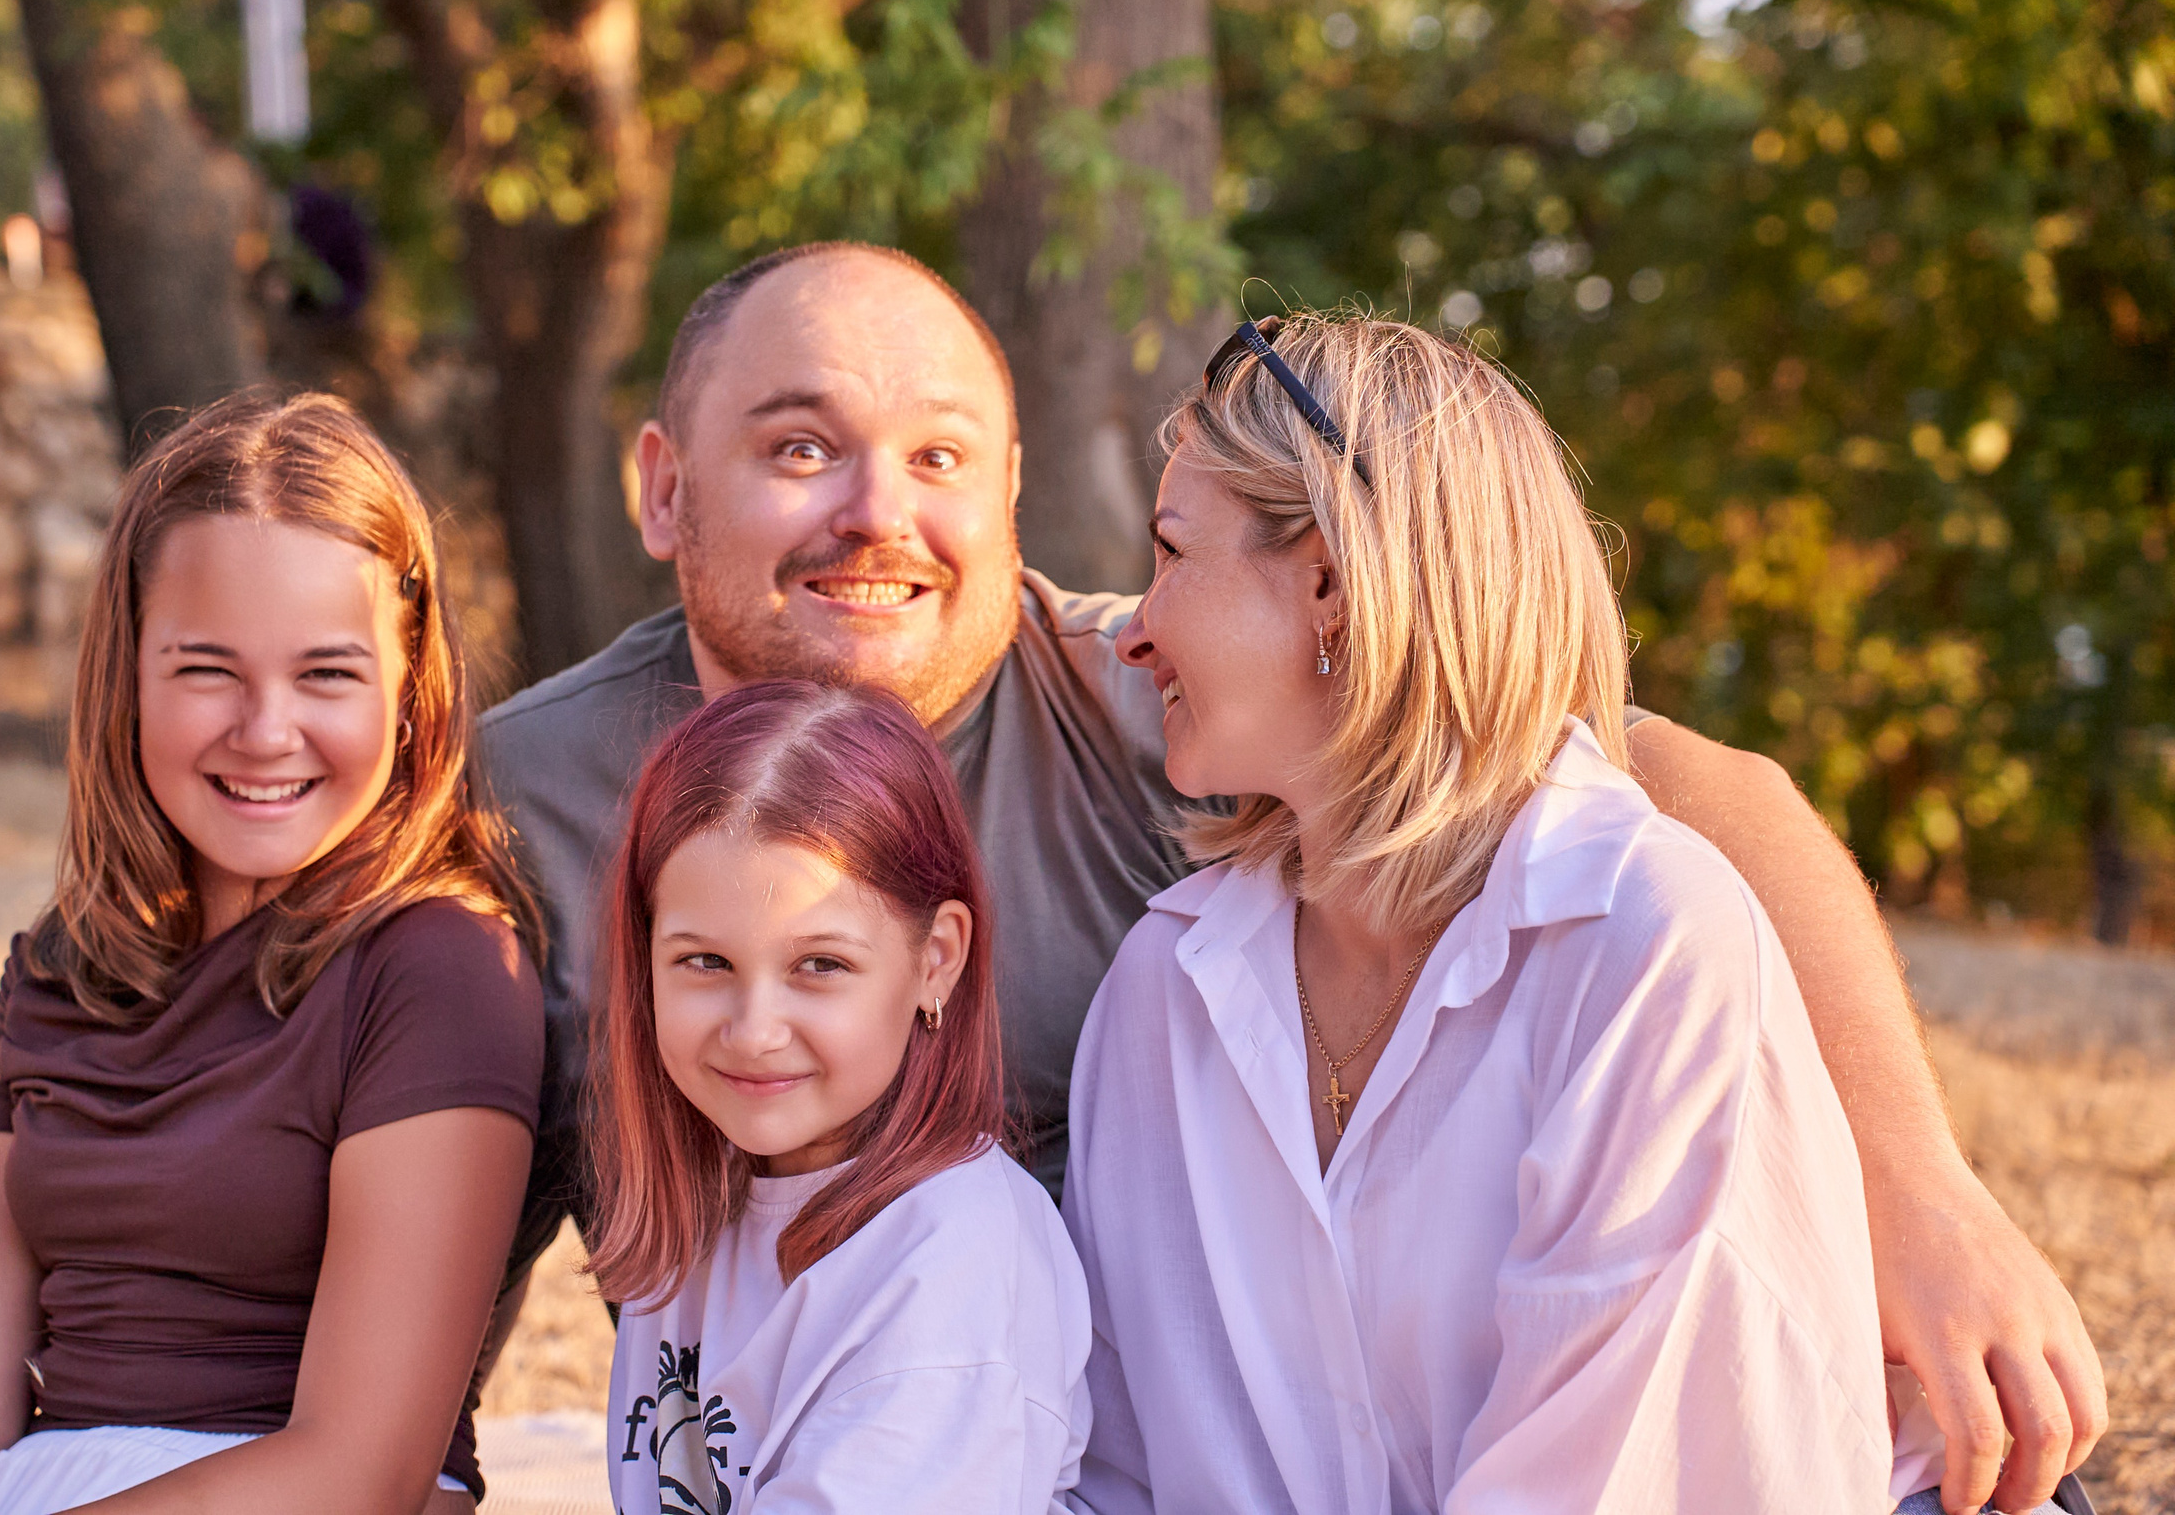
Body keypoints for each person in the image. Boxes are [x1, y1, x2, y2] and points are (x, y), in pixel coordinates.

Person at [477, 242, 2104, 1514]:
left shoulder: (1146, 715)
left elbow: (1677, 786)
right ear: (663, 485)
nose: (880, 512)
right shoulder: (1178, 981)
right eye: (800, 447)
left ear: (1327, 592)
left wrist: (1920, 1189)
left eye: (941, 457)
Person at [1064, 311, 1972, 1512]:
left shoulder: (1643, 943)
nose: (1135, 628)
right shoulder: (1162, 988)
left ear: (1331, 580)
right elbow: (1118, 1470)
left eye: (1173, 555)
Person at [0, 393, 543, 1515]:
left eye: (327, 675)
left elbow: (362, 1468)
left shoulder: (438, 969)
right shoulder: (66, 966)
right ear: (131, 680)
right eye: (207, 669)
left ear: (408, 694)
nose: (265, 731)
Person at [586, 681, 1088, 1513]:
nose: (753, 1031)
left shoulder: (949, 1269)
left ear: (936, 960)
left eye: (820, 966)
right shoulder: (709, 1199)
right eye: (705, 963)